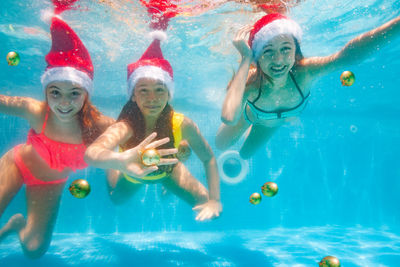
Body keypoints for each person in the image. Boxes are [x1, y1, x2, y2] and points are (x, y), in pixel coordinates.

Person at [0, 1, 117, 257]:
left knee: (34, 250)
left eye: (74, 93)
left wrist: (119, 172)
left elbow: (124, 142)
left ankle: (17, 227)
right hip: (17, 164)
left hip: (50, 182)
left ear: (86, 94)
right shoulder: (37, 111)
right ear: (46, 91)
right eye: (56, 92)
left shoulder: (99, 124)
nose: (64, 102)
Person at [215, 13, 400, 159]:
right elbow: (229, 117)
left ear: (296, 50)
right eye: (267, 51)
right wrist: (246, 59)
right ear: (257, 57)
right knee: (221, 144)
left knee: (245, 155)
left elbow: (346, 56)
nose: (278, 60)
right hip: (248, 116)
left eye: (285, 49)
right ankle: (249, 123)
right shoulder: (252, 82)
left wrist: (396, 25)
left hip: (271, 124)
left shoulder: (305, 72)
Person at [84, 35, 222, 221]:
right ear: (133, 95)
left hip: (169, 171)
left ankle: (171, 171)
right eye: (143, 90)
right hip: (133, 175)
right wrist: (118, 160)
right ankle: (113, 167)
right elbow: (91, 153)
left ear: (169, 94)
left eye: (159, 89)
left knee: (210, 210)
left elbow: (209, 158)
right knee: (116, 199)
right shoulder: (126, 127)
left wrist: (215, 199)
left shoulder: (182, 123)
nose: (152, 98)